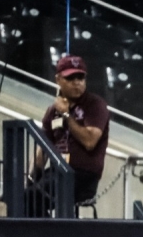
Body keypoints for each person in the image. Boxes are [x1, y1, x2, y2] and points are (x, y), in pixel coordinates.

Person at [35, 55, 110, 207]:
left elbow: (90, 141)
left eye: (80, 78)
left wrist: (66, 115)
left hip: (82, 176)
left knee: (31, 197)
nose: (77, 83)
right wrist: (30, 179)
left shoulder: (95, 105)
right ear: (58, 80)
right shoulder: (52, 111)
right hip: (57, 173)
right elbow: (41, 154)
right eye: (70, 78)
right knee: (16, 196)